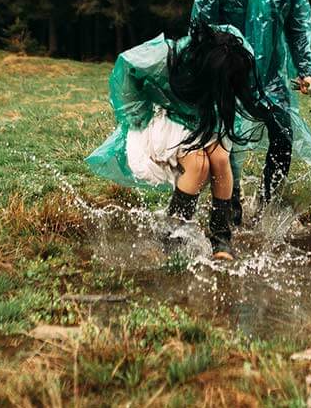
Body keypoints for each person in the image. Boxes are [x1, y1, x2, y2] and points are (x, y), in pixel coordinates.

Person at [85, 21, 267, 259]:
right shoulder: (166, 57)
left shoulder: (229, 53)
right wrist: (137, 113)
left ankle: (221, 236)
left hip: (200, 115)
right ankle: (173, 233)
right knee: (199, 163)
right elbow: (127, 66)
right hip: (164, 115)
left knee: (221, 157)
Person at [191, 0, 311, 225]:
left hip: (269, 79)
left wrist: (306, 70)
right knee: (227, 142)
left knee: (283, 135)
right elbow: (200, 24)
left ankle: (267, 202)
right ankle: (231, 206)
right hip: (227, 77)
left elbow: (298, 27)